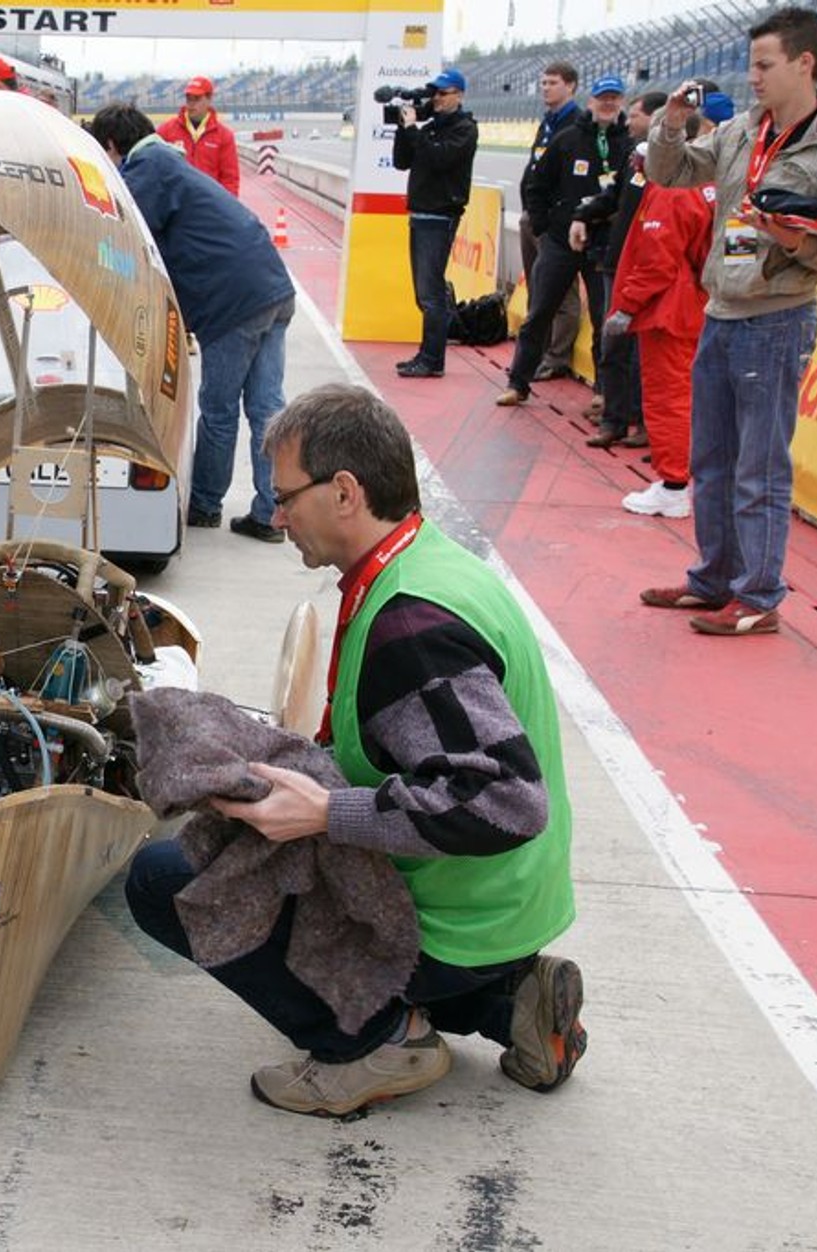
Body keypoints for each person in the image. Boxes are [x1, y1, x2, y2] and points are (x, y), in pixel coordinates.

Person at [125, 384, 582, 1118]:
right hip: (507, 905)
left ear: (344, 491)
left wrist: (328, 814)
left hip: (454, 919)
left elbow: (504, 799)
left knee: (164, 877)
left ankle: (378, 1040)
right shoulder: (429, 563)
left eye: (286, 497)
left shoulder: (412, 626)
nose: (277, 518)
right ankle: (509, 1001)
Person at [643, 6, 817, 637]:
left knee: (758, 468)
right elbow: (670, 172)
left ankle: (758, 593)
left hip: (778, 318)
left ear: (804, 63)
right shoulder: (742, 130)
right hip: (722, 312)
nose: (752, 76)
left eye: (764, 65)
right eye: (750, 64)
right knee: (710, 459)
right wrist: (671, 125)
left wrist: (793, 241)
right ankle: (713, 578)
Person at [89, 103, 294, 543]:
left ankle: (204, 505)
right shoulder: (171, 160)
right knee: (266, 409)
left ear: (112, 145)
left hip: (232, 302)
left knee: (219, 410)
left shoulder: (146, 168)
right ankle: (270, 513)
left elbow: (123, 237)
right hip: (273, 286)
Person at [601, 95, 722, 519]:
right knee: (688, 397)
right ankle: (681, 479)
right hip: (693, 304)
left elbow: (656, 261)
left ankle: (673, 484)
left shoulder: (671, 191)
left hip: (669, 311)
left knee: (668, 397)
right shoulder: (703, 184)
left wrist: (626, 307)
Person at [497, 75, 632, 407]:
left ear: (622, 103)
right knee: (539, 311)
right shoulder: (568, 139)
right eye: (603, 98)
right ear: (591, 101)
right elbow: (536, 184)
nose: (608, 103)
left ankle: (603, 391)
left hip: (603, 245)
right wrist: (544, 228)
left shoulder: (628, 145)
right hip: (560, 241)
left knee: (605, 320)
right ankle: (518, 382)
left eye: (614, 98)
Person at [579, 90, 670, 445]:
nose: (629, 121)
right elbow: (613, 195)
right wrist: (582, 214)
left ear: (655, 119)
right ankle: (614, 421)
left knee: (646, 352)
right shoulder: (633, 158)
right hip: (617, 264)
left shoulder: (674, 165)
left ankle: (646, 423)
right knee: (613, 345)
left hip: (649, 269)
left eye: (635, 115)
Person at [389, 67, 476, 379]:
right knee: (423, 293)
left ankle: (432, 360)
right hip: (421, 215)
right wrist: (404, 128)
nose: (436, 99)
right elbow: (402, 161)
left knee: (431, 293)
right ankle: (427, 355)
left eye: (443, 93)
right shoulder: (430, 128)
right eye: (434, 94)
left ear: (459, 95)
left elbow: (440, 160)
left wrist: (414, 129)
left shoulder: (464, 129)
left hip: (440, 216)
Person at [519, 63, 586, 381]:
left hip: (554, 223)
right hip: (533, 216)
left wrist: (550, 219)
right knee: (537, 290)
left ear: (570, 86)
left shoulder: (576, 124)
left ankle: (557, 357)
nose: (546, 87)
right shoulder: (548, 122)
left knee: (561, 295)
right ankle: (536, 354)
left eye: (553, 82)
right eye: (543, 82)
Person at [156, 75, 240, 198]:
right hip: (174, 206)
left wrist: (228, 210)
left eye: (197, 98)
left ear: (209, 99)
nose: (191, 104)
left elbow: (230, 179)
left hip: (209, 205)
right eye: (188, 99)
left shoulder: (224, 136)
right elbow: (154, 168)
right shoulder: (166, 130)